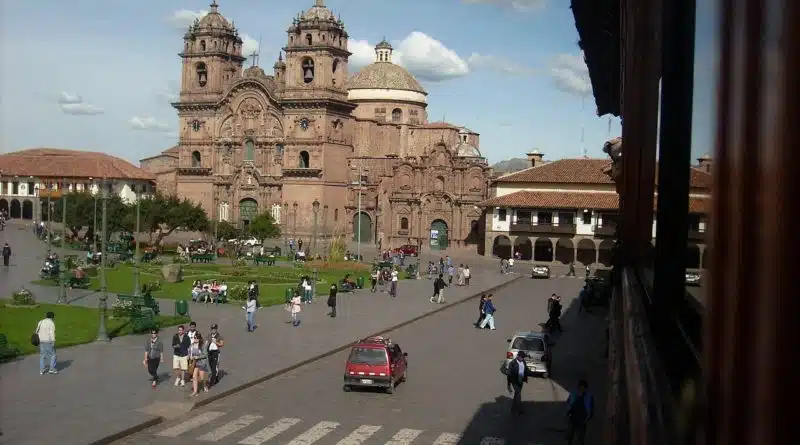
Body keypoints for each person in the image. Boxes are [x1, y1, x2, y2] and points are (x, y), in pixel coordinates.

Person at [566, 379, 594, 444]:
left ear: (586, 388)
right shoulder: (573, 394)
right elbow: (568, 403)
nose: (582, 389)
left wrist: (588, 418)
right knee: (570, 436)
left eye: (584, 388)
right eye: (581, 387)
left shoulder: (589, 397)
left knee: (580, 438)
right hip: (573, 419)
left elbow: (591, 409)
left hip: (582, 420)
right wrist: (568, 413)